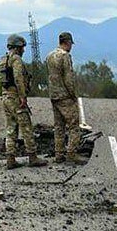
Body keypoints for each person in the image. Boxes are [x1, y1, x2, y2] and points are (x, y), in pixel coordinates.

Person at [0, 34, 47, 169]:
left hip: (5, 97)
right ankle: (32, 156)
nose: (23, 50)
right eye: (22, 47)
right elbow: (18, 78)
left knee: (11, 128)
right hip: (15, 97)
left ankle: (10, 158)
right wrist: (22, 97)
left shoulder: (4, 60)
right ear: (17, 47)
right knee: (26, 126)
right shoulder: (16, 60)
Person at [46, 32, 83, 164]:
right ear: (67, 43)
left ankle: (59, 154)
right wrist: (74, 95)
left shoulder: (49, 56)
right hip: (65, 96)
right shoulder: (65, 56)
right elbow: (68, 78)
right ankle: (72, 154)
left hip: (54, 96)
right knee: (73, 126)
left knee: (59, 126)